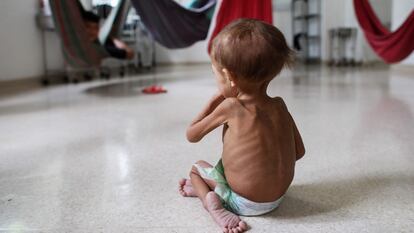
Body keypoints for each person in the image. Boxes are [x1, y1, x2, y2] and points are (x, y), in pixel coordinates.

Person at [179, 19, 305, 233]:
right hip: (279, 198)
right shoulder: (279, 105)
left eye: (216, 74)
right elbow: (299, 152)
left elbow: (191, 135)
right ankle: (215, 190)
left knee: (196, 169)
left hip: (245, 203)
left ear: (229, 77)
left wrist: (211, 103)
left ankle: (213, 203)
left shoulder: (231, 107)